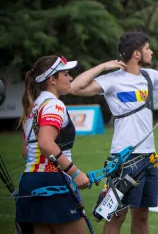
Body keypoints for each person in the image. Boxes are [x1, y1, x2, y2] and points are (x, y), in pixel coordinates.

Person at [70, 31, 158, 234]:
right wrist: (102, 67)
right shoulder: (112, 80)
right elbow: (74, 87)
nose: (151, 52)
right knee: (117, 216)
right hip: (124, 158)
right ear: (136, 54)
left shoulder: (149, 76)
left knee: (142, 215)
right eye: (147, 48)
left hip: (149, 157)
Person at [16, 55, 125, 234]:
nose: (71, 78)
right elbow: (45, 143)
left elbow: (24, 152)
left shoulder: (33, 106)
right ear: (52, 80)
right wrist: (75, 173)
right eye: (66, 74)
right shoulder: (54, 105)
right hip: (53, 183)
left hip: (31, 182)